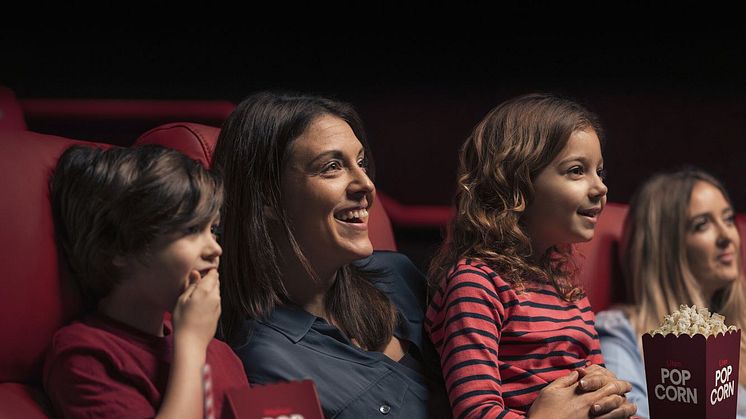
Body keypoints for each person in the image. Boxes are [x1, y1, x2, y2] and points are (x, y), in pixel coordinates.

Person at [212, 91, 449, 418]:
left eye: (361, 162)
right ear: (266, 196)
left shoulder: (399, 274)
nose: (365, 184)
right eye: (332, 167)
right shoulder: (263, 362)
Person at [425, 93, 637, 419]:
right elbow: (476, 413)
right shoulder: (475, 285)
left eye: (600, 172)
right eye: (577, 171)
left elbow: (599, 388)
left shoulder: (567, 286)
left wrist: (611, 397)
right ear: (517, 184)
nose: (600, 188)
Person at [44, 145, 248, 418]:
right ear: (118, 246)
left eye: (213, 230)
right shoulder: (89, 356)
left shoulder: (221, 354)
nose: (215, 249)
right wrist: (190, 344)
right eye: (191, 229)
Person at [596, 167, 746, 419]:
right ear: (664, 249)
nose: (726, 236)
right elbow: (629, 413)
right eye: (702, 225)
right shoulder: (620, 330)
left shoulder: (740, 325)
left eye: (728, 219)